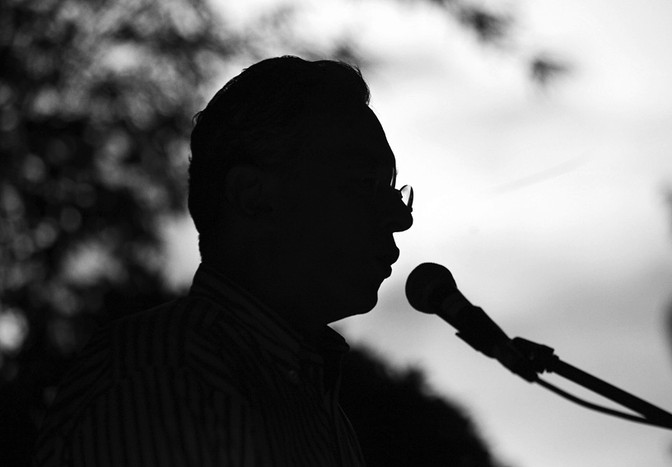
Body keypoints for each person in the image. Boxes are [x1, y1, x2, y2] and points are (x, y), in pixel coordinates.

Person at [33, 55, 413, 466]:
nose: (401, 217)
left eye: (393, 188)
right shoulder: (165, 375)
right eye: (366, 183)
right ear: (253, 195)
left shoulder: (312, 400)